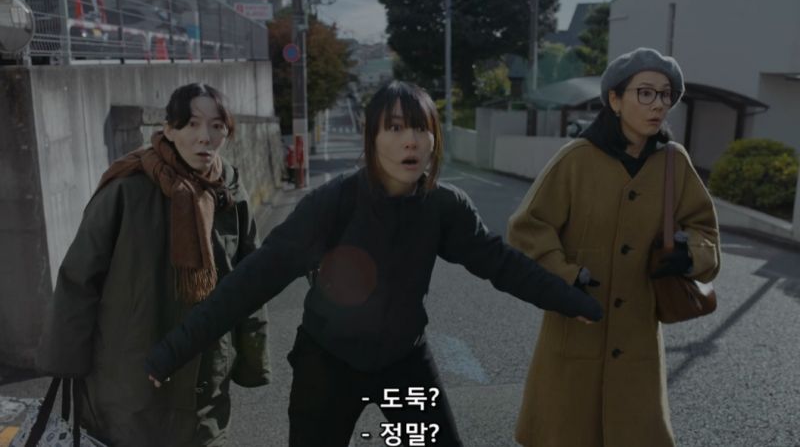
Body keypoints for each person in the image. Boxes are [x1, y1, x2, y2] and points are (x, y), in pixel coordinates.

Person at [144, 80, 604, 447]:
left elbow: (501, 264)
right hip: (326, 367)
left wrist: (567, 298)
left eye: (421, 128)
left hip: (404, 365)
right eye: (395, 128)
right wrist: (171, 352)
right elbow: (251, 281)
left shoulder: (444, 207)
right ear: (372, 137)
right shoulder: (333, 203)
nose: (411, 141)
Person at [36, 83, 270, 447]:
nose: (205, 137)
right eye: (192, 124)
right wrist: (67, 363)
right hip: (128, 375)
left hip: (204, 374)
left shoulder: (229, 192)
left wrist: (251, 357)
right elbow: (79, 278)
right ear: (169, 129)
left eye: (217, 126)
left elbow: (249, 282)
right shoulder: (126, 189)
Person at [508, 47, 721, 447]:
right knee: (567, 434)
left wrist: (690, 253)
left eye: (665, 95)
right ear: (615, 100)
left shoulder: (674, 163)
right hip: (576, 330)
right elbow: (528, 228)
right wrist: (564, 277)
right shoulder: (576, 159)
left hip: (638, 335)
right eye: (645, 93)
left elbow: (704, 228)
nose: (657, 104)